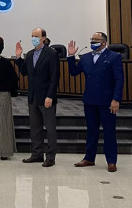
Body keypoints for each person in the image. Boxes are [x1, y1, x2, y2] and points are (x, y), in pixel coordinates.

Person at [66, 32, 124, 172]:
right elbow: (74, 72)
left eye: (96, 40)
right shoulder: (85, 57)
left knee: (109, 132)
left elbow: (119, 79)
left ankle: (111, 161)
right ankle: (89, 158)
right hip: (90, 100)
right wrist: (71, 56)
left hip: (107, 101)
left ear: (104, 42)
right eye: (92, 39)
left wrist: (116, 99)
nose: (93, 42)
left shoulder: (114, 57)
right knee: (92, 131)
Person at [15, 28, 60, 167]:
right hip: (33, 97)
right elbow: (24, 72)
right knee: (35, 128)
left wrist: (50, 96)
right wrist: (18, 58)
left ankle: (50, 157)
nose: (33, 38)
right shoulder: (29, 54)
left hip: (46, 97)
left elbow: (54, 77)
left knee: (50, 128)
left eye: (36, 36)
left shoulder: (51, 53)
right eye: (32, 36)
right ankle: (37, 154)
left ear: (43, 38)